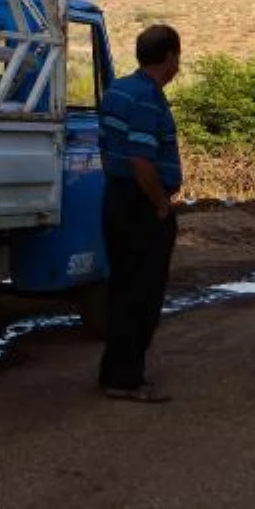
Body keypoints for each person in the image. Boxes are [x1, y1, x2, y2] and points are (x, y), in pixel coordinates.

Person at [97, 24, 183, 404]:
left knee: (122, 288)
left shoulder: (117, 88)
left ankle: (112, 372)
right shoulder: (148, 97)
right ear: (170, 57)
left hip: (116, 198)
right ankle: (127, 379)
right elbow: (140, 159)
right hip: (142, 203)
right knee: (143, 293)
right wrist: (161, 204)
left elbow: (109, 148)